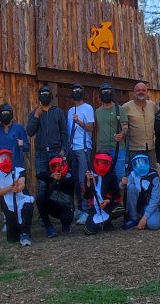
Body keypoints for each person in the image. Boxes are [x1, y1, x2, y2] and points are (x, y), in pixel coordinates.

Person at [27, 84, 69, 237]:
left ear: (51, 96)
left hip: (56, 153)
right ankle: (47, 224)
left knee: (59, 186)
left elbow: (64, 132)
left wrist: (64, 150)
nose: (44, 96)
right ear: (39, 97)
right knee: (42, 188)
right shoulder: (34, 113)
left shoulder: (58, 112)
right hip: (41, 155)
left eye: (47, 93)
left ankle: (64, 220)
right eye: (42, 94)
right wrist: (36, 116)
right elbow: (30, 132)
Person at [0, 103, 29, 233]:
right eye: (3, 113)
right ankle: (8, 220)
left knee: (18, 191)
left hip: (16, 165)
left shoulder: (19, 128)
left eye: (7, 113)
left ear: (11, 114)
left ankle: (21, 218)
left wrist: (22, 144)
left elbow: (27, 146)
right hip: (0, 166)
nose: (5, 115)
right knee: (4, 193)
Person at [0, 149, 34, 246]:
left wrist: (18, 189)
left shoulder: (19, 171)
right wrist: (11, 186)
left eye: (7, 157)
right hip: (8, 204)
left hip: (21, 200)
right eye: (2, 158)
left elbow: (22, 182)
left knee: (28, 206)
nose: (5, 160)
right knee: (12, 238)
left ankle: (25, 233)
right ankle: (18, 230)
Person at [66, 84, 95, 225]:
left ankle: (86, 209)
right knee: (75, 180)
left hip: (83, 147)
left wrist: (78, 121)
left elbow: (90, 127)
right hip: (72, 148)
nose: (76, 93)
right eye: (74, 91)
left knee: (83, 179)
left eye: (78, 91)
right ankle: (78, 207)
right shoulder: (70, 110)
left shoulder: (88, 108)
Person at [83, 152, 125, 235]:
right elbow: (86, 196)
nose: (102, 164)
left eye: (104, 162)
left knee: (119, 209)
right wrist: (88, 183)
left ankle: (107, 222)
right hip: (95, 207)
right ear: (96, 161)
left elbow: (116, 195)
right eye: (100, 161)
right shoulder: (90, 174)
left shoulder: (111, 176)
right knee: (88, 231)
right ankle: (102, 222)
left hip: (107, 205)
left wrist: (108, 201)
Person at [95, 82, 128, 185]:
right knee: (103, 176)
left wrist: (122, 134)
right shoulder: (97, 111)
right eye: (104, 92)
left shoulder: (120, 109)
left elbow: (125, 127)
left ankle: (121, 200)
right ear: (100, 95)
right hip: (102, 149)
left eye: (108, 91)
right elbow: (97, 130)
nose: (106, 93)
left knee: (119, 175)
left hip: (118, 148)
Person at [36, 157, 76, 236]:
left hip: (66, 207)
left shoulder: (70, 174)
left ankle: (66, 225)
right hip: (53, 206)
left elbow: (70, 180)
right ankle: (49, 227)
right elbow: (38, 175)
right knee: (40, 199)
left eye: (59, 166)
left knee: (66, 219)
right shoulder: (51, 176)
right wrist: (51, 176)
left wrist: (59, 179)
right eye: (54, 166)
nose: (57, 168)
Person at [121, 154, 160, 231]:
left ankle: (145, 215)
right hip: (138, 204)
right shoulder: (132, 174)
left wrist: (145, 218)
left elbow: (155, 198)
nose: (140, 166)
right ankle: (134, 218)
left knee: (154, 225)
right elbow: (125, 188)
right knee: (131, 188)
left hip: (150, 204)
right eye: (137, 163)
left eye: (144, 162)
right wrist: (122, 183)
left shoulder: (154, 176)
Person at [122, 82, 158, 167]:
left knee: (153, 173)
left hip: (151, 148)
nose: (141, 92)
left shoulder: (152, 105)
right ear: (134, 93)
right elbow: (121, 125)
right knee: (137, 175)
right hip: (135, 149)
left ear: (147, 92)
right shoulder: (126, 107)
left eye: (143, 90)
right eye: (138, 90)